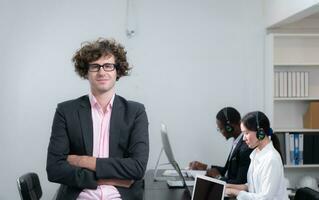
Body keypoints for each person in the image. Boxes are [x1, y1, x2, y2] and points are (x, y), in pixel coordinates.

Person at [46, 38, 149, 200]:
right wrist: (106, 178)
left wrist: (82, 160)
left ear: (117, 71)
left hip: (121, 196)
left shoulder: (135, 112)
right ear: (86, 72)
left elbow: (137, 168)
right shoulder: (66, 111)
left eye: (108, 66)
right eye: (95, 66)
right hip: (80, 195)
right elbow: (54, 169)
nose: (102, 72)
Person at [226, 111, 288, 200]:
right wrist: (227, 186)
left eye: (246, 133)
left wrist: (234, 192)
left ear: (260, 133)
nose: (244, 138)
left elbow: (264, 198)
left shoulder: (271, 159)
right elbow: (252, 186)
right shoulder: (256, 153)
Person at [189, 107, 252, 184]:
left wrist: (218, 177)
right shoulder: (237, 141)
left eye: (221, 128)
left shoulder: (245, 147)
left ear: (229, 128)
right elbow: (228, 171)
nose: (220, 132)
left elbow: (240, 182)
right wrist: (206, 167)